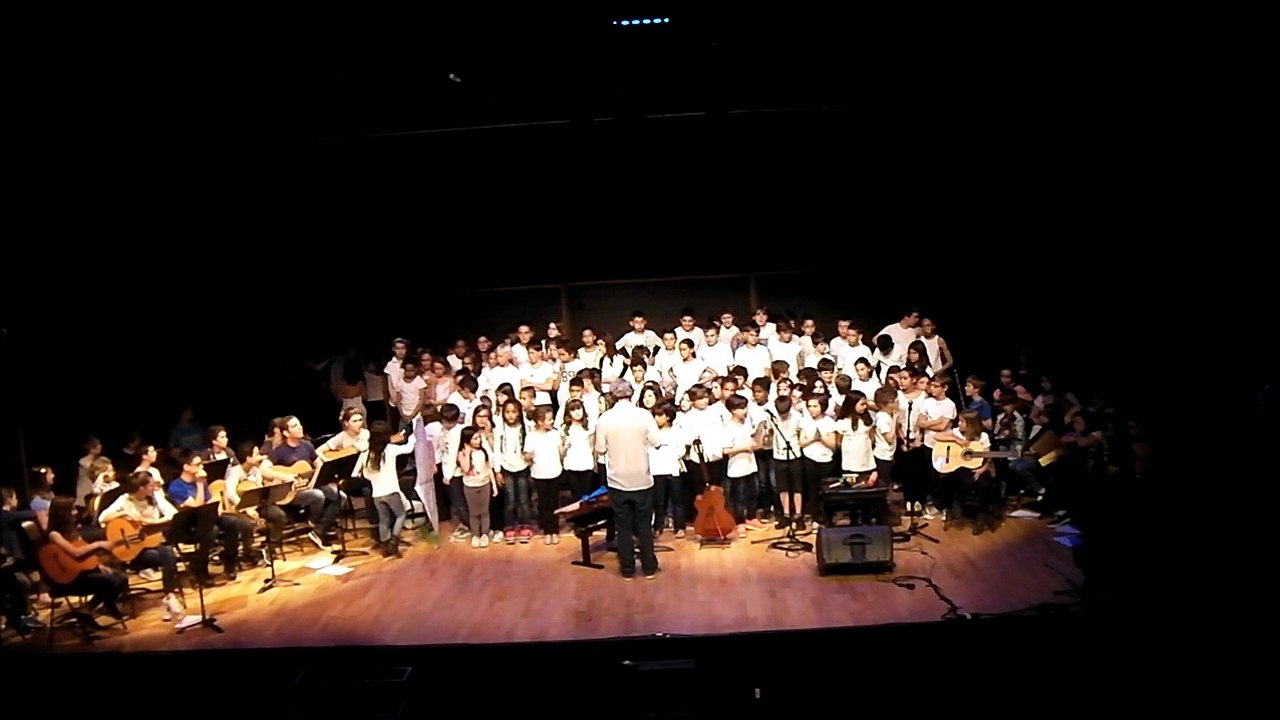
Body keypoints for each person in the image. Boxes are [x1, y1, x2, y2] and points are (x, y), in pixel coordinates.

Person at [593, 380, 662, 581]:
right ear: (632, 394)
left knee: (623, 527)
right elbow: (656, 441)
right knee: (643, 525)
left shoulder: (605, 419)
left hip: (617, 480)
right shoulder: (644, 415)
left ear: (612, 396)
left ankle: (627, 569)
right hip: (642, 478)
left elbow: (600, 449)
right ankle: (649, 567)